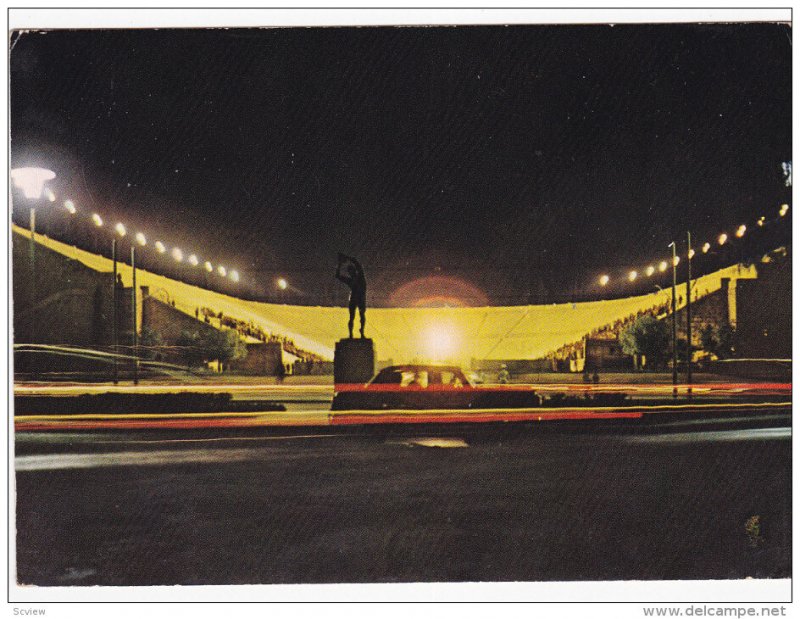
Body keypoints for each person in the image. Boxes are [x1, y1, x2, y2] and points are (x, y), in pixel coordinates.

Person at [335, 253, 367, 338]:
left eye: (351, 271)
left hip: (359, 298)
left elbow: (358, 264)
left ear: (354, 271)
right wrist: (340, 264)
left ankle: (361, 332)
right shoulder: (351, 280)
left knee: (361, 315)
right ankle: (351, 334)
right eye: (349, 272)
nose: (350, 273)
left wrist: (346, 258)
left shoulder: (360, 277)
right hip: (356, 299)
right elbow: (338, 276)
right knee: (353, 317)